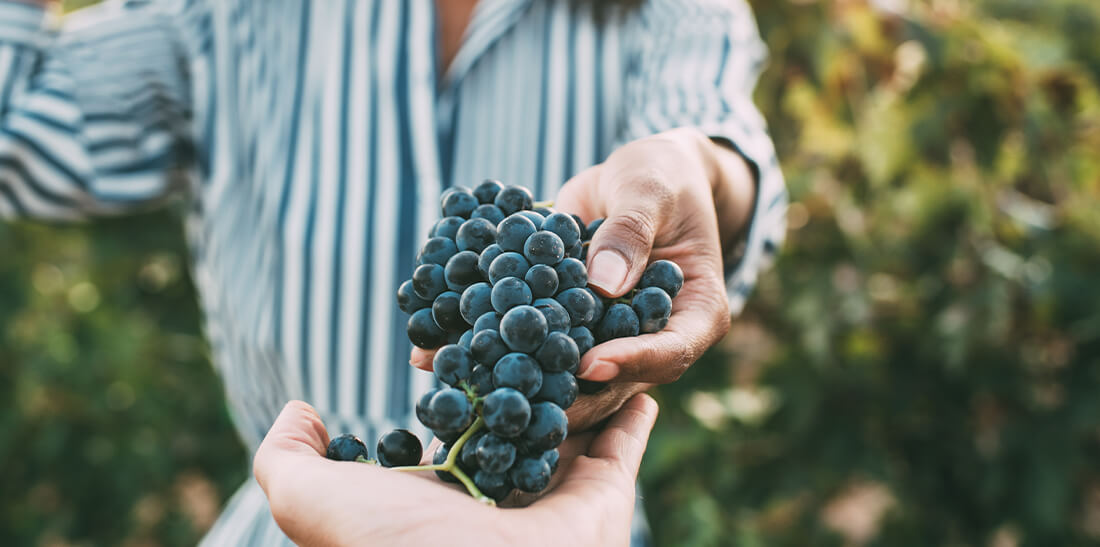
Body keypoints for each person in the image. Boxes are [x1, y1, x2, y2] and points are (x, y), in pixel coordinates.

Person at [0, 0, 787, 544]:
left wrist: (697, 169)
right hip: (293, 527)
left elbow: (717, 141)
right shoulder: (229, 14)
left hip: (558, 531)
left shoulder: (668, 10)